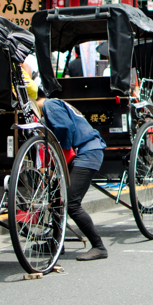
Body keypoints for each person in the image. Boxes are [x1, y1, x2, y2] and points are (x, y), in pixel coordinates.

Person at [37, 96, 109, 261]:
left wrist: (56, 163)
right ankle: (56, 243)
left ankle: (99, 246)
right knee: (55, 199)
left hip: (86, 152)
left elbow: (64, 128)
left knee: (71, 202)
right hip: (76, 153)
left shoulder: (49, 104)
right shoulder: (53, 106)